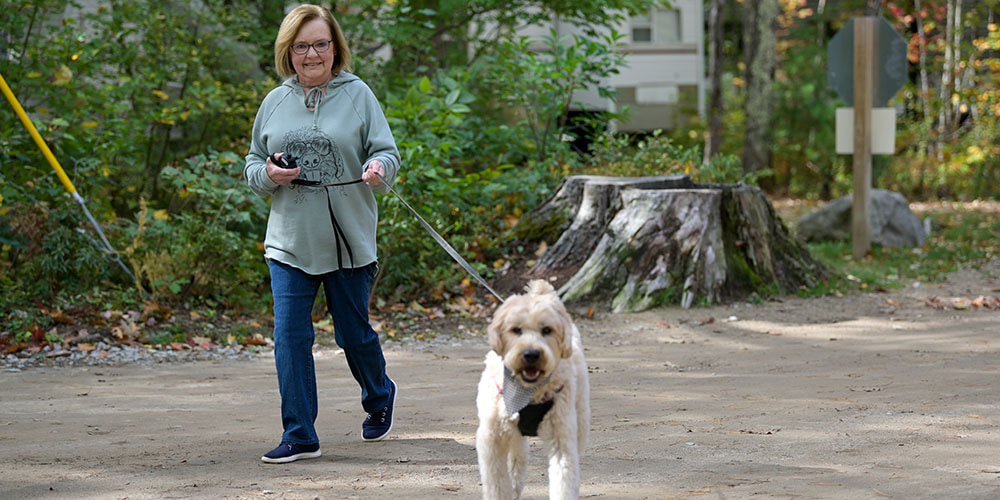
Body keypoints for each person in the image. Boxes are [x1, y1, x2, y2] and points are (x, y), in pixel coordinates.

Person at [243, 4, 400, 464]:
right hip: (291, 239)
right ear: (288, 52)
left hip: (348, 239)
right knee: (291, 337)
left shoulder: (358, 94)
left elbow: (386, 152)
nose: (312, 54)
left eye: (321, 44)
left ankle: (379, 393)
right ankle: (300, 433)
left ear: (336, 48)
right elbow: (253, 165)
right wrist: (270, 174)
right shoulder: (273, 101)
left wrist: (378, 168)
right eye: (302, 46)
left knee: (353, 335)